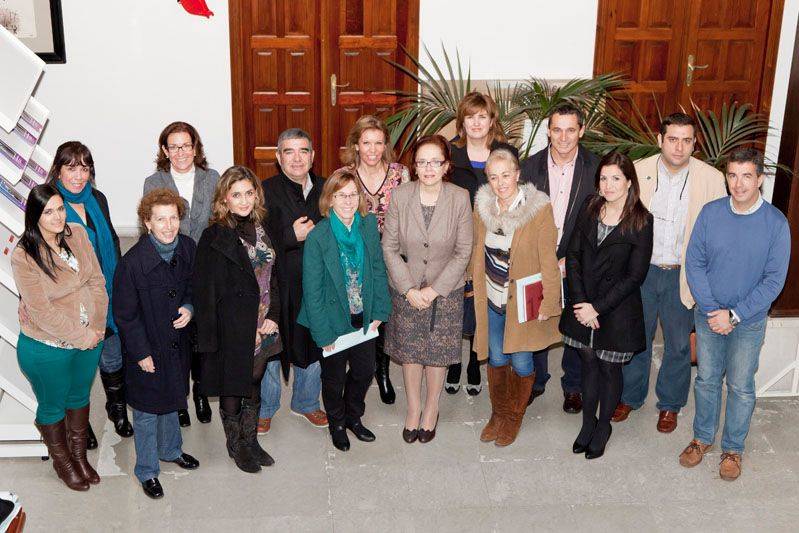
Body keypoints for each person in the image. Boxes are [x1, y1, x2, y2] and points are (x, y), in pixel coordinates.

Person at [613, 113, 727, 433]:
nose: (679, 147)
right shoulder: (637, 172)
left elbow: (718, 233)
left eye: (686, 140)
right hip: (642, 271)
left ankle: (670, 405)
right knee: (637, 337)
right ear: (659, 140)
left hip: (683, 274)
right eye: (673, 139)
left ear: (694, 143)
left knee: (678, 344)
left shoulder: (711, 179)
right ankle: (630, 396)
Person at [680, 149, 790, 481]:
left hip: (749, 321)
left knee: (741, 386)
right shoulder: (711, 213)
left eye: (746, 176)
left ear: (760, 179)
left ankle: (733, 449)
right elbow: (695, 263)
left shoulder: (776, 223)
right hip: (709, 314)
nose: (738, 184)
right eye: (732, 175)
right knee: (707, 380)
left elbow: (773, 281)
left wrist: (735, 315)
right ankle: (702, 438)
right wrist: (713, 310)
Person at [13, 184, 107, 491]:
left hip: (89, 339)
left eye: (60, 209)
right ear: (35, 216)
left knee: (79, 398)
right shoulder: (24, 255)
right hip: (48, 348)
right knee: (52, 406)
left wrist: (97, 326)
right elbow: (41, 312)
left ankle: (79, 457)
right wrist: (83, 336)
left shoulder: (77, 234)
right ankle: (63, 463)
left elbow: (97, 281)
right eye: (48, 212)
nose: (57, 217)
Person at [560, 152, 653, 459]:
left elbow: (635, 276)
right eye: (603, 178)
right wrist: (581, 302)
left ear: (629, 182)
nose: (608, 185)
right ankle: (588, 423)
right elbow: (573, 255)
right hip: (582, 303)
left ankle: (603, 426)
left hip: (616, 309)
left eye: (616, 178)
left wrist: (596, 308)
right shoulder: (589, 206)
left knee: (609, 368)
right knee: (588, 363)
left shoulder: (641, 220)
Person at [382, 135, 473, 443]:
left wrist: (435, 290)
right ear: (415, 167)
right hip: (406, 287)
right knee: (410, 352)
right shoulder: (401, 196)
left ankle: (431, 407)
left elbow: (464, 250)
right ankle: (413, 408)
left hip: (445, 290)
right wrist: (408, 289)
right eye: (422, 162)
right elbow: (389, 247)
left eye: (435, 162)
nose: (428, 168)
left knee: (437, 352)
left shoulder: (459, 197)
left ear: (446, 166)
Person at [112, 189, 201, 499]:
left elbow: (194, 285)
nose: (168, 226)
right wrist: (141, 353)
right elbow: (125, 315)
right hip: (148, 348)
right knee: (148, 411)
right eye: (160, 219)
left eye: (173, 218)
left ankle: (171, 449)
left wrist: (189, 307)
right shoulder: (132, 264)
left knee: (173, 397)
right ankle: (147, 470)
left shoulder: (187, 247)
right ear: (147, 223)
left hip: (177, 343)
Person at [471, 148, 562, 447]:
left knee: (522, 361)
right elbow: (477, 249)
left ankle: (514, 416)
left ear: (518, 175)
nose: (500, 183)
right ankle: (498, 413)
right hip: (491, 299)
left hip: (522, 304)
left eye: (506, 175)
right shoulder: (483, 207)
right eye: (493, 177)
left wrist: (550, 301)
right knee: (496, 356)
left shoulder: (538, 209)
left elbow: (548, 259)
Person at [193, 166, 281, 474]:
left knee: (254, 381)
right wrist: (241, 331)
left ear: (256, 195)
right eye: (236, 195)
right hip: (233, 328)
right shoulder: (213, 236)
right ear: (224, 199)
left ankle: (251, 440)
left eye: (248, 193)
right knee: (233, 386)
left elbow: (274, 277)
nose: (243, 201)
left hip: (265, 322)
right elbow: (207, 293)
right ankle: (237, 446)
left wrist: (273, 316)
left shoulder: (263, 227)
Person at [297, 169, 391, 452]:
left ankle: (353, 416)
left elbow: (378, 269)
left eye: (353, 195)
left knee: (364, 371)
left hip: (364, 317)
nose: (348, 201)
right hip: (332, 319)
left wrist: (380, 310)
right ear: (330, 200)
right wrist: (322, 333)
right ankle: (337, 423)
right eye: (341, 195)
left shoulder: (367, 225)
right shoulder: (318, 236)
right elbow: (312, 291)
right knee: (334, 378)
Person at [46, 141, 132, 447]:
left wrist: (120, 283)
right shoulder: (49, 202)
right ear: (58, 170)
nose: (78, 175)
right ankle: (79, 420)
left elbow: (112, 240)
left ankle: (117, 409)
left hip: (106, 292)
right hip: (72, 299)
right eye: (71, 168)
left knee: (112, 353)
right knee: (78, 362)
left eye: (84, 168)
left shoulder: (98, 198)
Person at [520, 103, 600, 412]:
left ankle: (573, 386)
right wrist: (539, 258)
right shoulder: (529, 168)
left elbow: (600, 219)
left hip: (577, 259)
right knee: (538, 318)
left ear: (581, 131)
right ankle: (536, 380)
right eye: (557, 130)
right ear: (548, 132)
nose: (563, 137)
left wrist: (572, 259)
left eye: (570, 130)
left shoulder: (596, 169)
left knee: (574, 322)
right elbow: (520, 216)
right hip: (536, 258)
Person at [144, 121, 220, 426]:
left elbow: (219, 222)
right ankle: (179, 398)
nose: (180, 152)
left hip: (206, 269)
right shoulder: (154, 182)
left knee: (202, 336)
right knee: (175, 336)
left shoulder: (212, 178)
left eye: (186, 145)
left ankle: (201, 392)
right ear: (165, 150)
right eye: (173, 146)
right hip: (170, 271)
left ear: (195, 147)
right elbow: (153, 228)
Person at [447, 91, 519, 396]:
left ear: (492, 120)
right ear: (461, 122)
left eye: (482, 116)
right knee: (455, 304)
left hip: (494, 242)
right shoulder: (450, 153)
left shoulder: (506, 153)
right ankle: (453, 362)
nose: (476, 123)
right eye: (470, 117)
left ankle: (476, 363)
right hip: (456, 240)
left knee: (483, 306)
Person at [337, 115, 410, 405]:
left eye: (378, 143)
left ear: (385, 145)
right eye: (366, 143)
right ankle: (358, 368)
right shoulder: (344, 175)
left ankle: (382, 371)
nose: (372, 149)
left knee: (385, 314)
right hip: (357, 256)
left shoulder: (400, 174)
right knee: (360, 312)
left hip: (393, 255)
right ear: (355, 145)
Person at [258, 128, 327, 434]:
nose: (297, 158)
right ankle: (265, 408)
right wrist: (290, 236)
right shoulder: (264, 191)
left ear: (313, 156)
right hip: (277, 285)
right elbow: (254, 241)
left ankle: (307, 402)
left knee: (312, 344)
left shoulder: (326, 188)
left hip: (316, 285)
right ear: (278, 157)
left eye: (303, 151)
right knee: (272, 346)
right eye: (289, 151)